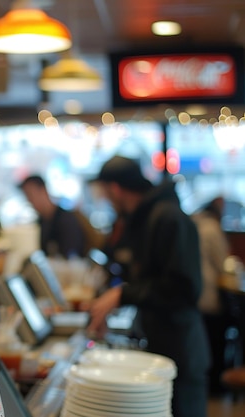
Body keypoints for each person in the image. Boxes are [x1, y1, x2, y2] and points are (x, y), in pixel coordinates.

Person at [87, 155, 210, 417]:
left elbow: (184, 289)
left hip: (181, 352)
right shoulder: (140, 218)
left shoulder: (168, 217)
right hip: (160, 344)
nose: (106, 200)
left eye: (105, 193)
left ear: (115, 188)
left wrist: (123, 293)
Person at [192, 196, 231, 395]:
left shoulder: (194, 223)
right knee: (218, 336)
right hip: (209, 297)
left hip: (192, 296)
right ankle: (216, 383)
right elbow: (222, 262)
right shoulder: (212, 228)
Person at [19, 174, 87, 258]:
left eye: (30, 195)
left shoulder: (66, 220)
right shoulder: (40, 222)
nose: (29, 200)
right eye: (27, 197)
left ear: (43, 190)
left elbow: (71, 256)